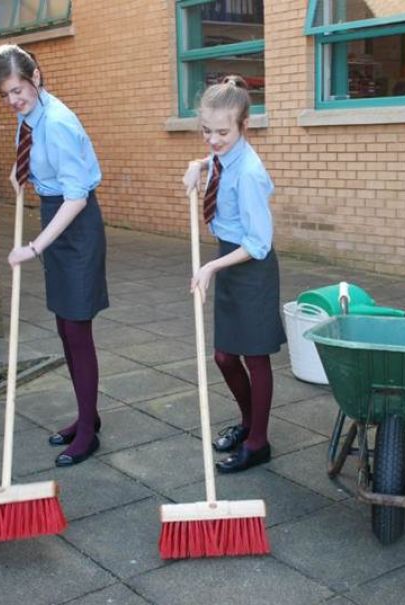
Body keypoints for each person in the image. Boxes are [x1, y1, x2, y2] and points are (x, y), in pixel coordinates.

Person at [0, 44, 107, 467]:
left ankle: (88, 432)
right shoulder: (30, 117)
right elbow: (37, 161)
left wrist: (35, 246)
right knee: (64, 328)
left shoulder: (56, 123)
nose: (13, 101)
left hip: (76, 224)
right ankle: (87, 415)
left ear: (35, 77)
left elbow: (77, 196)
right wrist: (21, 174)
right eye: (5, 94)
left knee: (77, 329)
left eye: (17, 90)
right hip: (54, 214)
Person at [182, 75, 286, 473]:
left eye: (222, 132)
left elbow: (258, 243)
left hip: (251, 267)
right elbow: (217, 158)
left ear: (245, 125)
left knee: (255, 358)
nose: (213, 139)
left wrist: (210, 267)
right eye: (206, 131)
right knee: (225, 356)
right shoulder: (223, 158)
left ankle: (259, 442)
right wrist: (198, 164)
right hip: (229, 257)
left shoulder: (250, 174)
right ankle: (248, 423)